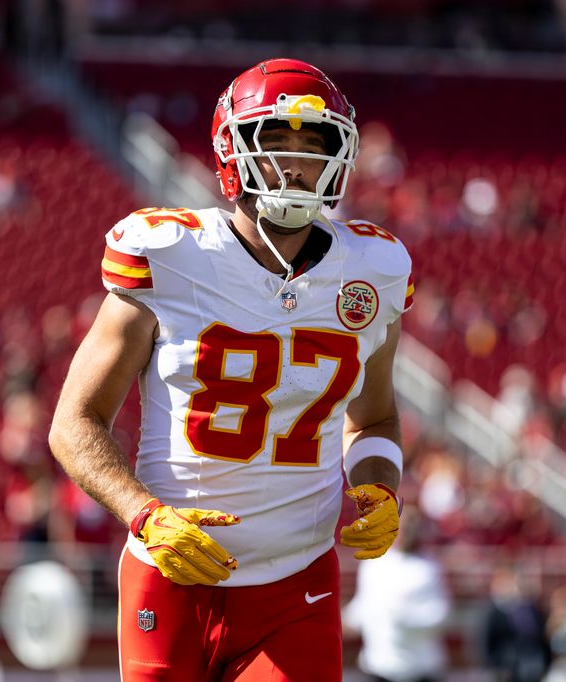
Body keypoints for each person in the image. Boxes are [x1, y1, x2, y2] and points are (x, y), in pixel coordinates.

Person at [49, 58, 414, 681]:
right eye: (276, 139)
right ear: (233, 150)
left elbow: (373, 415)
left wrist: (379, 481)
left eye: (314, 142)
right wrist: (145, 515)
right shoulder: (171, 255)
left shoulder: (372, 270)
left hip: (296, 579)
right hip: (173, 576)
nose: (296, 161)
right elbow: (74, 424)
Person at [343, 503, 451, 682]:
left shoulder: (429, 568)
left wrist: (400, 616)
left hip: (419, 669)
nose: (404, 531)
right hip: (378, 666)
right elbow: (364, 606)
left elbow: (439, 615)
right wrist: (345, 620)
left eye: (410, 526)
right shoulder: (372, 564)